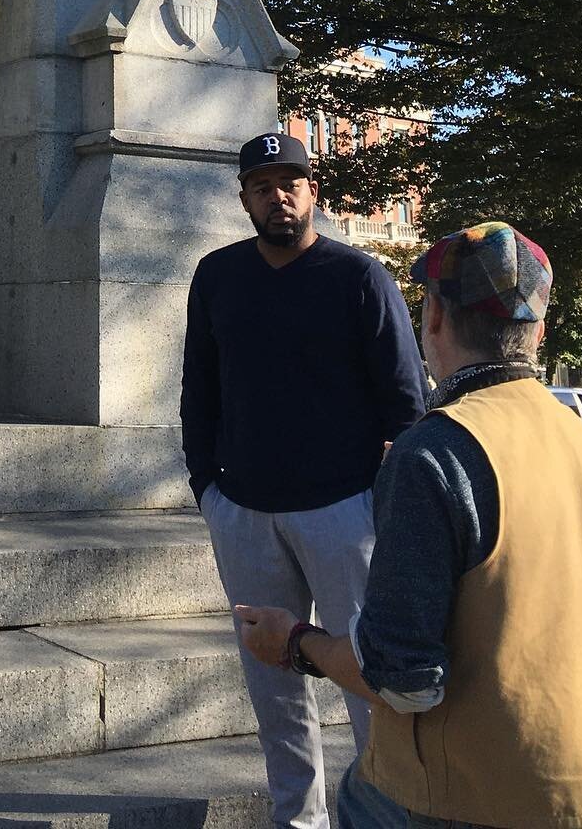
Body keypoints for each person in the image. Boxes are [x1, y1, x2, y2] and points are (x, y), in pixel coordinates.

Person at [235, 222, 582, 829]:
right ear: (540, 331)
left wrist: (295, 643)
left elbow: (404, 680)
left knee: (359, 795)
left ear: (436, 321)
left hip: (474, 792)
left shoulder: (434, 451)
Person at [182, 131, 427, 829]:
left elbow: (407, 405)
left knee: (366, 680)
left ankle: (387, 814)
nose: (278, 195)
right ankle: (299, 820)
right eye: (263, 186)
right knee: (274, 690)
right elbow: (199, 390)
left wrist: (380, 503)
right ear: (245, 200)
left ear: (313, 192)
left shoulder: (360, 277)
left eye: (291, 182)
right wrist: (209, 490)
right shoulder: (217, 276)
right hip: (244, 513)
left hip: (344, 513)